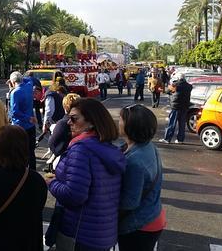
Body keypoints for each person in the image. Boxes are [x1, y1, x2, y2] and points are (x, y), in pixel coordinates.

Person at [46, 98, 125, 251]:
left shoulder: (81, 150)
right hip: (102, 232)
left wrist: (52, 183)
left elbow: (74, 195)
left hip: (79, 233)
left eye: (74, 119)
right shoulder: (109, 148)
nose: (69, 123)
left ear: (92, 122)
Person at [118, 104, 166, 251]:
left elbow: (130, 203)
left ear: (130, 126)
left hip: (139, 225)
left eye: (121, 119)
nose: (118, 122)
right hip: (153, 215)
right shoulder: (148, 146)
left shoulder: (134, 161)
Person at [8, 72, 37, 170]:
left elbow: (14, 112)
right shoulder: (29, 86)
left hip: (19, 126)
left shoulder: (15, 92)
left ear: (13, 82)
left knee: (18, 153)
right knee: (31, 152)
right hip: (31, 125)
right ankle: (33, 172)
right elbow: (28, 79)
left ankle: (20, 173)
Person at [47, 93, 81, 161]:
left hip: (66, 158)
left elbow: (52, 144)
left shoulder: (63, 123)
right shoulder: (84, 120)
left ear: (65, 106)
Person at [160, 76, 193, 144]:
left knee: (172, 123)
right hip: (184, 107)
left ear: (178, 78)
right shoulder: (189, 86)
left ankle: (167, 139)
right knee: (182, 124)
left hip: (176, 107)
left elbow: (168, 91)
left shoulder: (175, 85)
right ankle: (180, 140)